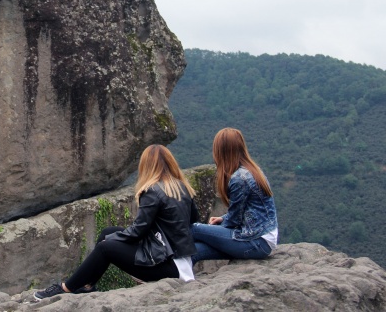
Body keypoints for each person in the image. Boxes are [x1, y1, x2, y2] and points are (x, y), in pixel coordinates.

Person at [33, 144, 199, 301]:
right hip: (180, 263)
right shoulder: (183, 188)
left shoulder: (152, 191)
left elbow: (137, 231)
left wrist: (112, 241)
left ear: (146, 166)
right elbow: (193, 221)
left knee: (105, 247)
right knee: (108, 232)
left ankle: (66, 288)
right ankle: (87, 285)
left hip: (166, 266)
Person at [192, 128, 278, 263]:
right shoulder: (252, 170)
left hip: (255, 242)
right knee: (196, 249)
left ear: (221, 152)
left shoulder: (239, 179)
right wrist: (221, 219)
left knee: (193, 229)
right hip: (261, 239)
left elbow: (233, 221)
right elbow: (246, 211)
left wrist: (213, 230)